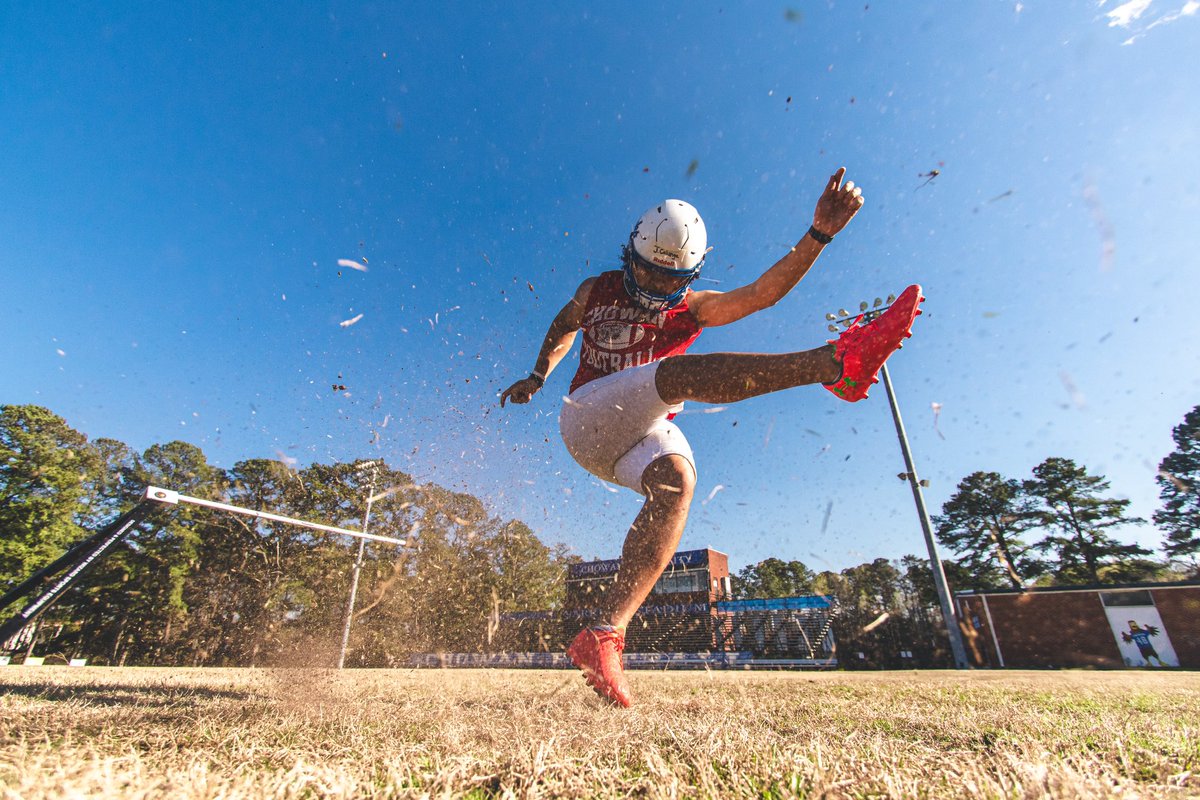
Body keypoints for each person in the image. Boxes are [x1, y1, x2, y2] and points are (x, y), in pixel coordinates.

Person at [500, 168, 923, 707]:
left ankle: (604, 634)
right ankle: (835, 363)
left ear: (691, 275)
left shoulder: (694, 307)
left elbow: (763, 294)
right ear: (630, 253)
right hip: (586, 418)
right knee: (672, 377)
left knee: (677, 480)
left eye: (666, 281)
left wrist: (819, 233)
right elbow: (563, 324)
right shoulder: (597, 289)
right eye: (646, 272)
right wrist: (538, 375)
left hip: (638, 433)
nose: (653, 287)